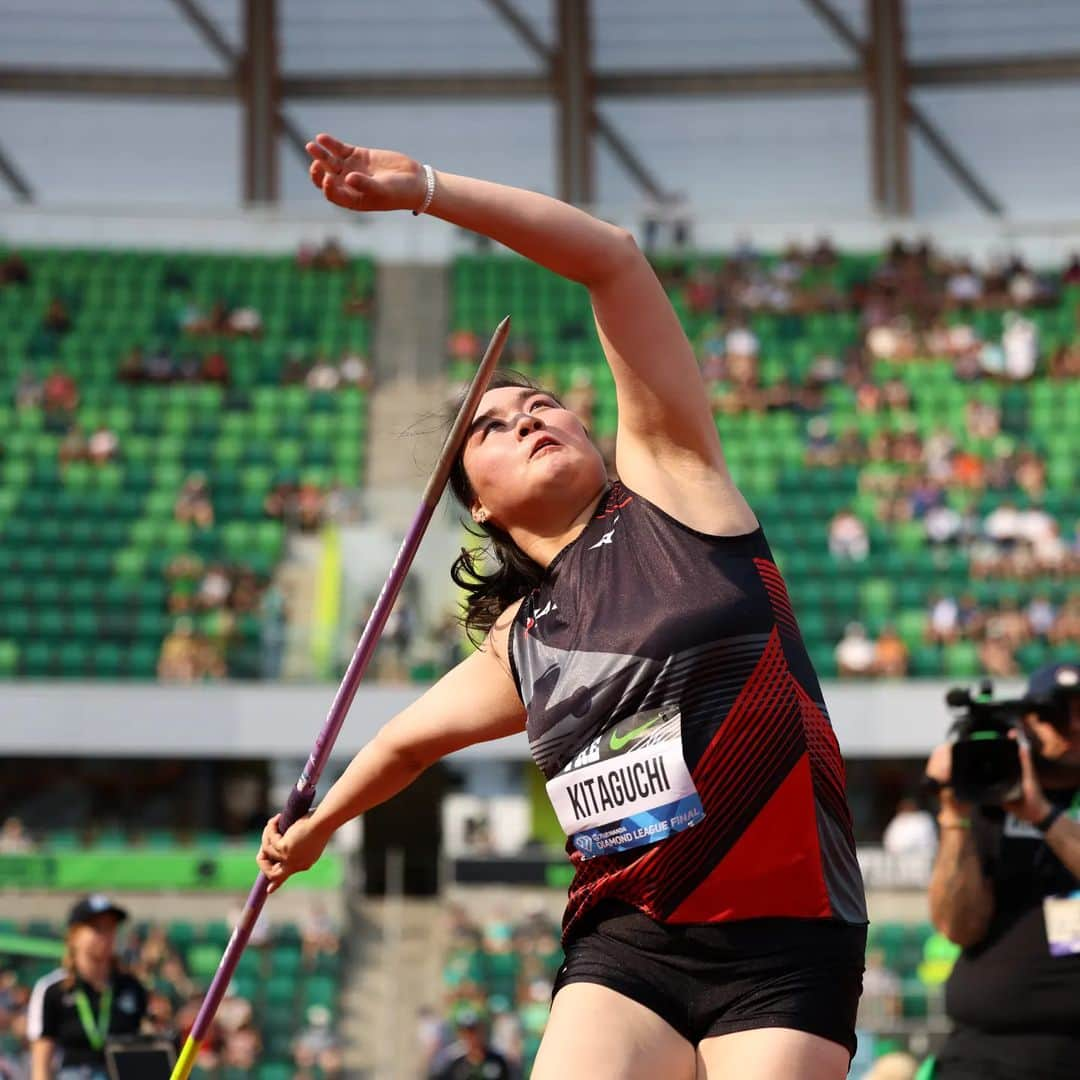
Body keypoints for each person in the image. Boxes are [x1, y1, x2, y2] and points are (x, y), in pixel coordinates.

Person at [259, 134, 867, 1080]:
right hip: (627, 944)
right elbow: (403, 745)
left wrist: (424, 189)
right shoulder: (523, 642)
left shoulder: (672, 487)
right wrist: (314, 830)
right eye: (494, 429)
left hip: (787, 941)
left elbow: (613, 258)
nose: (530, 417)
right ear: (483, 506)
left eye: (539, 401)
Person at [924, 663, 1080, 1079]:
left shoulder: (1034, 809)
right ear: (1025, 721)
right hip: (980, 1054)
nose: (1075, 725)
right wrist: (953, 815)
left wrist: (1042, 816)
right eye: (1057, 713)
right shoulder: (988, 799)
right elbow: (958, 926)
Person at [27, 895, 148, 1080]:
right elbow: (41, 1059)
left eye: (111, 928)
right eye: (97, 928)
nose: (106, 936)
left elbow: (145, 1044)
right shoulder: (53, 989)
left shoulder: (131, 986)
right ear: (74, 935)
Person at [428, 1010, 513, 1080]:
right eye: (466, 1033)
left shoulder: (497, 1061)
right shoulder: (456, 1065)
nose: (471, 1037)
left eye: (474, 1031)